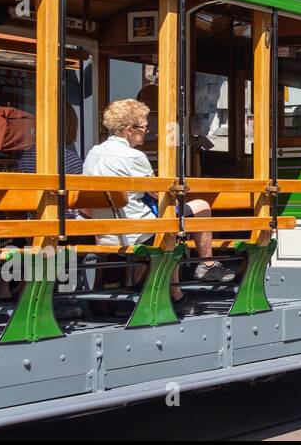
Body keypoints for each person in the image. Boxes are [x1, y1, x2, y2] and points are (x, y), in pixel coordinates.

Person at [83, 99, 234, 299]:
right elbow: (158, 193)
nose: (147, 131)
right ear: (129, 130)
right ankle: (205, 266)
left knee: (169, 223)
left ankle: (163, 289)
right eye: (144, 127)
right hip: (134, 229)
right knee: (200, 206)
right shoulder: (133, 157)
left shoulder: (94, 153)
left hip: (104, 230)